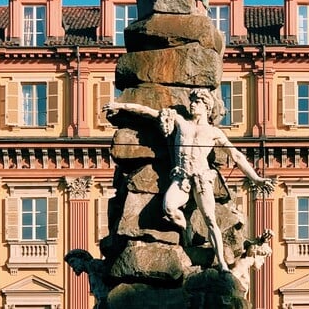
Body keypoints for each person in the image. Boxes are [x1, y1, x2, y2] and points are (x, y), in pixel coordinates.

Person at [103, 89, 274, 271]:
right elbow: (147, 111)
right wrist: (120, 105)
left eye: (197, 102)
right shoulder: (180, 122)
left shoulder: (214, 132)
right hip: (181, 177)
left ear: (206, 107)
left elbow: (237, 156)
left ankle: (222, 263)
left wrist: (256, 178)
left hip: (201, 178)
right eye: (192, 101)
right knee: (168, 208)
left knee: (210, 220)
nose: (192, 104)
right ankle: (186, 232)